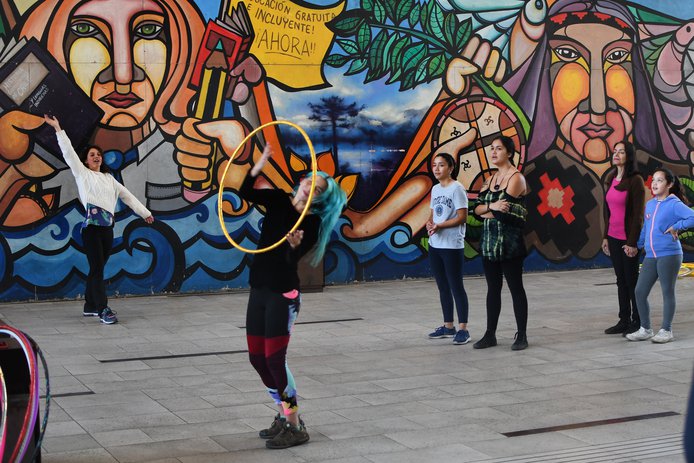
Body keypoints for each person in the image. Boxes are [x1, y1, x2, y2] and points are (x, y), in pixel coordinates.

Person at [240, 145, 347, 449]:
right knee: (257, 359)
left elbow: (289, 262)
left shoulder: (310, 223)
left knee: (275, 360)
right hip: (259, 288)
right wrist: (260, 163)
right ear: (302, 181)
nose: (310, 188)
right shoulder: (277, 200)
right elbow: (245, 191)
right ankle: (282, 413)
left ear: (320, 198)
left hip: (283, 294)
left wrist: (293, 246)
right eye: (310, 181)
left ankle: (295, 424)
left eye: (318, 189)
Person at [44, 115, 154, 324]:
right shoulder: (82, 174)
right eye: (92, 155)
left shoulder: (109, 179)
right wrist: (58, 128)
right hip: (91, 230)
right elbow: (68, 153)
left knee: (98, 269)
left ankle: (90, 306)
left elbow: (127, 196)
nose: (96, 157)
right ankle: (103, 309)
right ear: (86, 160)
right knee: (97, 269)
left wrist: (145, 213)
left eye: (99, 155)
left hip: (107, 230)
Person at [471, 136, 529, 351]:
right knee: (492, 289)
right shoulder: (490, 179)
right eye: (492, 149)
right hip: (489, 244)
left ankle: (521, 335)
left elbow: (504, 212)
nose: (493, 152)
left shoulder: (516, 178)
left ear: (510, 153)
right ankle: (490, 334)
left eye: (499, 149)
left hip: (510, 244)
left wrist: (488, 209)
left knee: (516, 288)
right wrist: (492, 207)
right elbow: (476, 210)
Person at [626, 168, 694, 343]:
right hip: (651, 256)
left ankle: (666, 330)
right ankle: (646, 329)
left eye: (660, 180)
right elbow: (646, 229)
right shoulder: (650, 204)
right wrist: (636, 246)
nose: (654, 184)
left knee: (667, 292)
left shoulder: (674, 204)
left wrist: (677, 226)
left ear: (669, 184)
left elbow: (692, 217)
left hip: (670, 255)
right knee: (640, 291)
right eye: (654, 180)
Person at [425, 153, 470, 344]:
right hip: (435, 244)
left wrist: (440, 225)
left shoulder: (457, 188)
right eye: (434, 165)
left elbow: (462, 217)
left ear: (451, 168)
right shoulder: (435, 189)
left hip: (452, 245)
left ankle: (463, 329)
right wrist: (429, 224)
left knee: (456, 286)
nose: (436, 169)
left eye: (441, 165)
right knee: (442, 286)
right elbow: (432, 213)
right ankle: (448, 326)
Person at [601, 141, 645, 336]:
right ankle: (624, 319)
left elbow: (638, 216)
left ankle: (638, 320)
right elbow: (608, 211)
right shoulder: (611, 178)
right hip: (613, 237)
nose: (616, 154)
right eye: (615, 151)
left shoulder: (635, 180)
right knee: (620, 280)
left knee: (631, 280)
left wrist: (632, 243)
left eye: (621, 152)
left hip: (628, 239)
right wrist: (605, 236)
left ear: (629, 156)